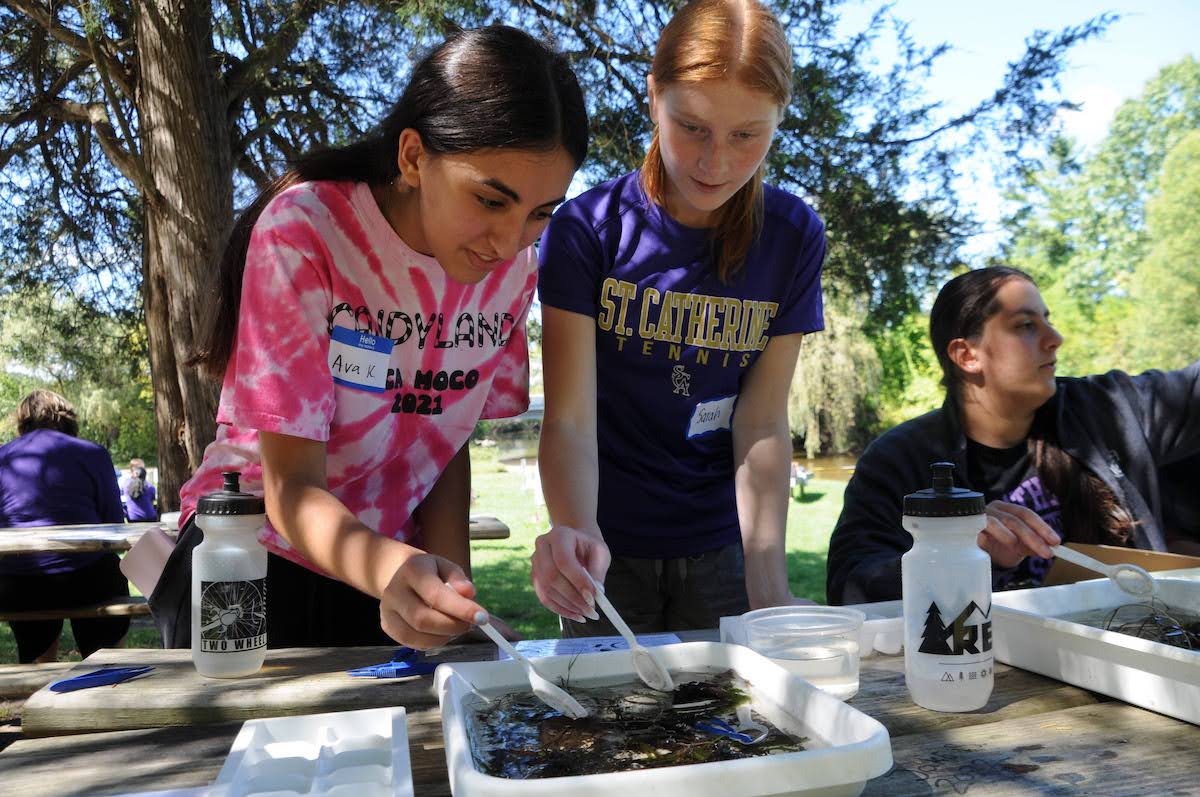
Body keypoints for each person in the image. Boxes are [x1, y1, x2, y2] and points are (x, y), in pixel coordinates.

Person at [152, 25, 588, 650]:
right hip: (248, 558)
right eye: (492, 200)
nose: (511, 240)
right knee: (243, 745)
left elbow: (442, 441)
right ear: (414, 158)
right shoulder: (307, 232)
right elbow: (290, 488)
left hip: (386, 572)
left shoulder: (514, 270)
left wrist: (454, 599)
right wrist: (393, 571)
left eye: (542, 213)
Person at [531, 0, 825, 636]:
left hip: (722, 548)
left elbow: (762, 418)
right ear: (653, 97)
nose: (714, 162)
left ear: (778, 121)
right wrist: (575, 532)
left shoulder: (792, 234)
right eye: (691, 126)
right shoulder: (586, 231)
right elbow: (570, 420)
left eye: (747, 135)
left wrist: (768, 587)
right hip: (607, 551)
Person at [826, 266, 1200, 605]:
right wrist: (953, 551)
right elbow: (851, 585)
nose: (1055, 338)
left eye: (1047, 321)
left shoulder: (1106, 410)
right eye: (1025, 325)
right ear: (967, 355)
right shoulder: (899, 460)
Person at [0, 390, 130, 662]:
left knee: (21, 581)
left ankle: (38, 670)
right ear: (67, 418)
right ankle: (104, 667)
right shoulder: (92, 453)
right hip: (87, 580)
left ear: (22, 421)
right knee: (108, 571)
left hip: (18, 585)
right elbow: (114, 523)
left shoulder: (5, 457)